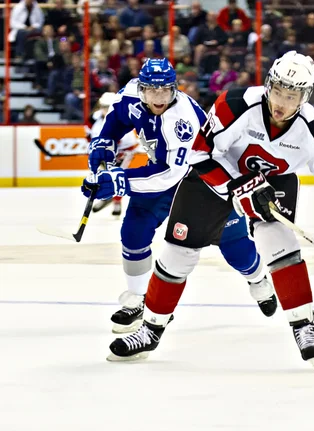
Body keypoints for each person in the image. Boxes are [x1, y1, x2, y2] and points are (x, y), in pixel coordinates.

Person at [107, 52, 314, 369]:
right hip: (215, 176)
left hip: (274, 182)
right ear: (268, 85)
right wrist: (235, 188)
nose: (281, 103)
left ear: (305, 96)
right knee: (179, 251)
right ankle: (150, 330)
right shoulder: (235, 104)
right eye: (278, 91)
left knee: (281, 242)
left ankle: (303, 324)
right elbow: (200, 155)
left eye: (292, 95)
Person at [81, 58, 276, 334]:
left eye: (166, 90)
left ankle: (258, 281)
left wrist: (120, 181)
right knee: (134, 228)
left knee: (235, 247)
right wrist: (104, 141)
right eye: (153, 90)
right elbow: (115, 119)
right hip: (161, 177)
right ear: (142, 88)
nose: (159, 97)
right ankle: (138, 299)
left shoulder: (182, 120)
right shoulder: (130, 93)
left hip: (203, 181)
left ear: (174, 88)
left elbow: (169, 175)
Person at [89, 92, 140, 217]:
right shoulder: (97, 119)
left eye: (108, 107)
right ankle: (109, 196)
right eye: (103, 106)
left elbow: (124, 141)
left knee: (118, 176)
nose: (104, 110)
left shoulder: (120, 119)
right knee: (106, 176)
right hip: (109, 153)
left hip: (124, 152)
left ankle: (116, 202)